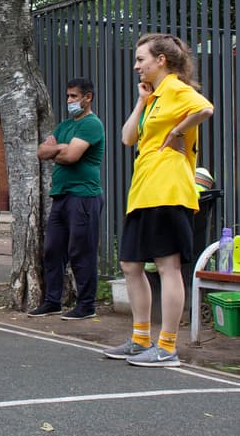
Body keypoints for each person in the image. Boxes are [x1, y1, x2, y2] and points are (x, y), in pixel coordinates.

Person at [104, 33, 214, 367]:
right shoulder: (154, 98)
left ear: (161, 60)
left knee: (167, 267)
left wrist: (177, 132)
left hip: (167, 189)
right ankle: (140, 339)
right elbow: (126, 138)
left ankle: (167, 346)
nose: (137, 65)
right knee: (130, 265)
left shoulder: (178, 90)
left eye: (141, 59)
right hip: (144, 192)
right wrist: (141, 101)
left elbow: (206, 108)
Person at [29, 78, 105, 320]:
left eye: (74, 96)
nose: (70, 101)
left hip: (83, 196)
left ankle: (86, 305)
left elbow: (71, 156)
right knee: (53, 250)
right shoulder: (65, 126)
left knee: (81, 251)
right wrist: (60, 148)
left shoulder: (91, 124)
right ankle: (53, 301)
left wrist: (59, 150)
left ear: (87, 97)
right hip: (61, 196)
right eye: (68, 96)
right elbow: (41, 152)